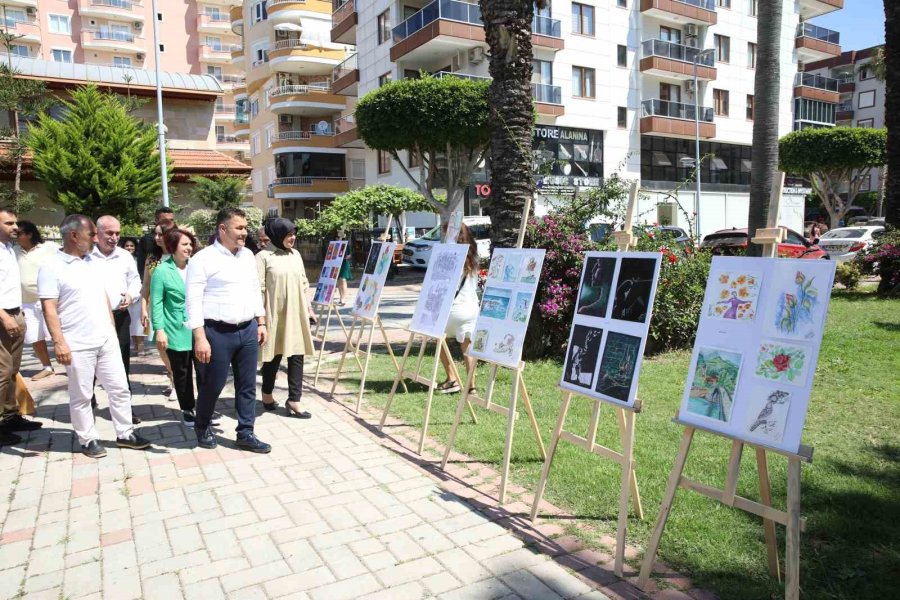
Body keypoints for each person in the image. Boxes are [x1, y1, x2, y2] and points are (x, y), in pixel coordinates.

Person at [38, 215, 150, 458]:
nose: (96, 239)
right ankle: (88, 438)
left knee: (119, 388)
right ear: (74, 235)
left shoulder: (91, 262)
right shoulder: (52, 267)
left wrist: (110, 328)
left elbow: (102, 295)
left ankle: (125, 433)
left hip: (105, 339)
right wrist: (58, 342)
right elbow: (49, 308)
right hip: (77, 343)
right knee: (82, 395)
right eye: (91, 235)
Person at [186, 207, 270, 452]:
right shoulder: (202, 259)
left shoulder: (246, 256)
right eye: (239, 228)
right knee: (214, 383)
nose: (245, 233)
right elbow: (192, 300)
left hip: (247, 330)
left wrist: (261, 321)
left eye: (245, 228)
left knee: (247, 384)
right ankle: (202, 425)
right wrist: (199, 337)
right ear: (222, 229)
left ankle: (246, 432)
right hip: (216, 333)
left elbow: (255, 290)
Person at [257, 218, 314, 418]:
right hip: (274, 314)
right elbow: (258, 289)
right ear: (277, 235)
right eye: (288, 235)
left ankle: (294, 400)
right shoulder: (263, 257)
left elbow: (304, 283)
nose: (292, 238)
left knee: (297, 355)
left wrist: (309, 308)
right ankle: (266, 394)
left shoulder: (296, 255)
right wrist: (261, 320)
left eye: (293, 234)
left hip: (296, 313)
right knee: (273, 356)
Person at [90, 216, 142, 425]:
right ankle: (88, 401)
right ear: (97, 234)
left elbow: (135, 281)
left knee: (121, 362)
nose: (114, 238)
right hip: (93, 318)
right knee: (90, 362)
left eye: (117, 233)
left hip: (120, 317)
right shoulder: (86, 256)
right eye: (109, 233)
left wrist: (131, 295)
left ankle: (124, 409)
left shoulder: (124, 256)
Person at [0, 209, 42, 445]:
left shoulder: (8, 249)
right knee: (2, 372)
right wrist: (5, 317)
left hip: (16, 312)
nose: (15, 227)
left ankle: (11, 416)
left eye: (15, 222)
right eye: (8, 223)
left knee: (13, 370)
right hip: (3, 316)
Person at [151, 228, 201, 425]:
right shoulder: (162, 270)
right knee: (182, 372)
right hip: (175, 328)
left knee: (205, 372)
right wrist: (160, 330)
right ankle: (188, 409)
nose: (189, 248)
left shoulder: (196, 266)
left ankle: (204, 409)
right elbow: (156, 303)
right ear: (173, 247)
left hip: (198, 326)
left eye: (190, 244)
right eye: (184, 244)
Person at [437, 223, 479, 395]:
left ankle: (451, 378)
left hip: (453, 308)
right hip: (471, 308)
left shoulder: (450, 255)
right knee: (467, 346)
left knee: (438, 340)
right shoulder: (473, 254)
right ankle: (471, 386)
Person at [16, 221, 59, 381]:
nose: (16, 236)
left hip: (50, 300)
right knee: (34, 336)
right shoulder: (14, 251)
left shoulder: (49, 248)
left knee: (59, 334)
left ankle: (73, 365)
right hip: (26, 302)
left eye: (19, 233)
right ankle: (47, 367)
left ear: (30, 234)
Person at [140, 223, 176, 397]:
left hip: (176, 310)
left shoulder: (180, 256)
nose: (156, 238)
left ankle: (179, 382)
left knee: (176, 348)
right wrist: (143, 309)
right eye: (155, 234)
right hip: (156, 309)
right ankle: (172, 376)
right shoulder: (152, 258)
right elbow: (145, 285)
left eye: (160, 234)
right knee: (161, 347)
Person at [119, 237, 145, 354]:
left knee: (138, 321)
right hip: (125, 295)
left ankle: (141, 345)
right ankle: (134, 344)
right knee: (130, 323)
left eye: (132, 246)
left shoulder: (140, 259)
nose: (129, 248)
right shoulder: (121, 259)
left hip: (138, 293)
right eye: (127, 246)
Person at [136, 207, 175, 281]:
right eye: (165, 221)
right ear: (156, 220)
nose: (169, 223)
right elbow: (144, 269)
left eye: (171, 220)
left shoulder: (180, 240)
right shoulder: (148, 241)